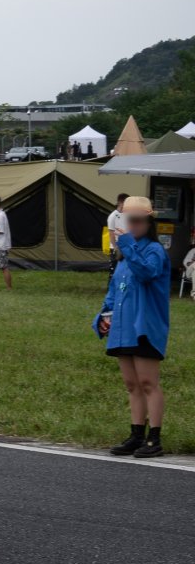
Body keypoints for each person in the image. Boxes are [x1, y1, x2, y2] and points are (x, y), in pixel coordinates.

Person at [95, 196, 171, 458]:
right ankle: (136, 434)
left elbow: (147, 273)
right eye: (130, 221)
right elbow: (114, 292)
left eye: (139, 221)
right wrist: (103, 317)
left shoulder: (154, 251)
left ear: (150, 223)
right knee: (131, 384)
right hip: (123, 329)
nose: (134, 225)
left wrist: (126, 244)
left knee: (148, 382)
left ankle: (154, 439)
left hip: (146, 327)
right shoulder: (125, 257)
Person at [106, 193, 128, 274]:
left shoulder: (127, 215)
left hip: (126, 246)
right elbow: (111, 233)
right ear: (120, 203)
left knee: (123, 271)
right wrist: (115, 247)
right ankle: (111, 286)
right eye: (125, 203)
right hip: (116, 248)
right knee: (114, 271)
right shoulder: (112, 216)